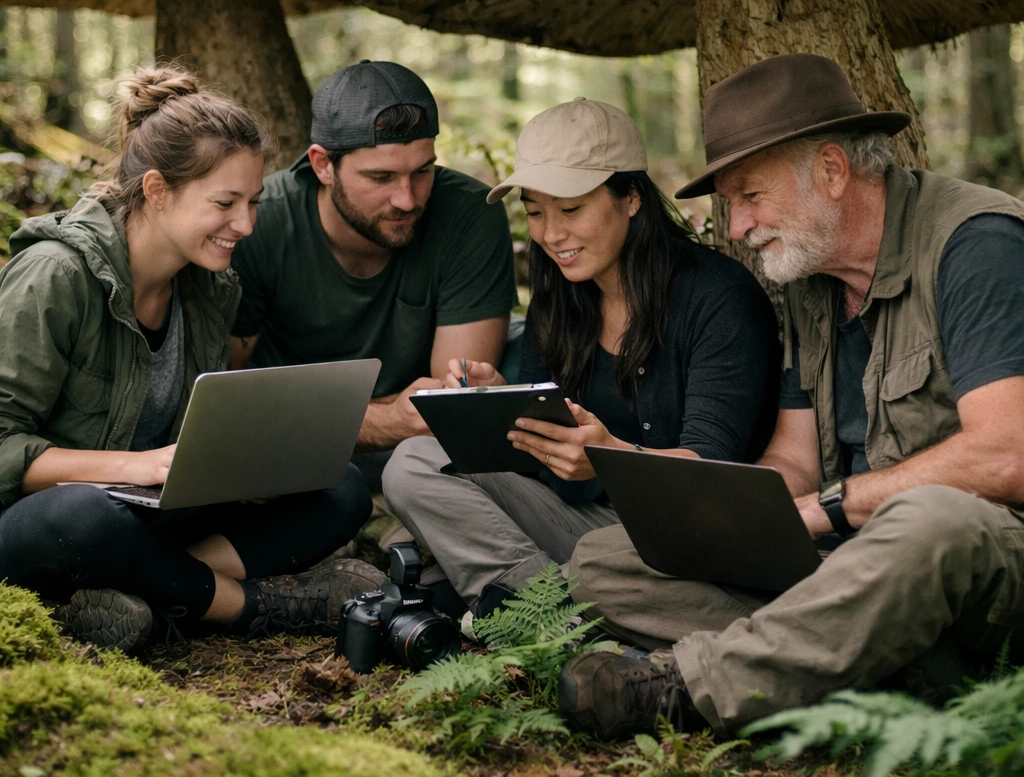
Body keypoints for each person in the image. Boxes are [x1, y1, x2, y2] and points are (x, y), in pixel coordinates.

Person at [559, 53, 1024, 740]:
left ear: (832, 171)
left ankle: (689, 690)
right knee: (607, 561)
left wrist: (831, 507)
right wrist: (730, 520)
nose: (737, 229)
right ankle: (880, 666)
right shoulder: (810, 282)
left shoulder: (975, 245)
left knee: (931, 520)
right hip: (849, 564)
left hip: (979, 556)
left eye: (751, 196)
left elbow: (1006, 457)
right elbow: (796, 461)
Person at [0, 68, 382, 654]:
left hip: (148, 512)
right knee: (85, 516)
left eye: (253, 203)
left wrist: (238, 474)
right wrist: (139, 466)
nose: (245, 225)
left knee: (342, 489)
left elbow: (182, 452)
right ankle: (250, 606)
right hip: (46, 520)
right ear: (157, 189)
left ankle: (149, 591)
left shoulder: (208, 287)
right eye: (225, 203)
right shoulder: (55, 274)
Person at [382, 97, 780, 617]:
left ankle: (535, 604)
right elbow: (545, 465)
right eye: (535, 212)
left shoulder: (719, 298)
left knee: (597, 563)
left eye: (570, 210)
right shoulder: (559, 295)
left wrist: (609, 456)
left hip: (687, 536)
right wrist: (503, 406)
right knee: (413, 462)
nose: (551, 234)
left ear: (631, 197)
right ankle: (541, 611)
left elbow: (711, 471)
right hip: (585, 525)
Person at [228, 60, 518, 484]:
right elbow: (223, 398)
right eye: (381, 177)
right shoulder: (257, 222)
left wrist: (336, 415)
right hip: (285, 450)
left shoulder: (469, 214)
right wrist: (385, 418)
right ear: (322, 165)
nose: (406, 199)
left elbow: (451, 403)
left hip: (420, 455)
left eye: (423, 171)